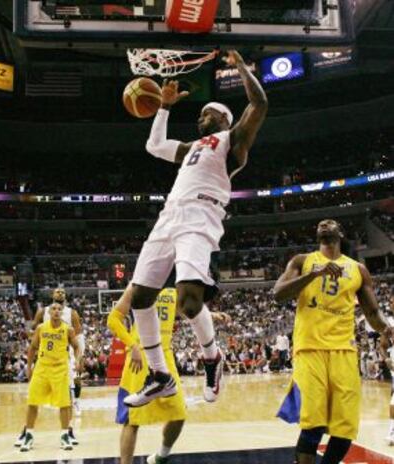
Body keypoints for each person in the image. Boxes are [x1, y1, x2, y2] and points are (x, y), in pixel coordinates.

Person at [125, 49, 268, 408]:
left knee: (189, 303)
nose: (202, 117)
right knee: (140, 297)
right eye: (202, 114)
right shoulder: (190, 147)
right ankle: (160, 376)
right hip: (169, 215)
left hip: (201, 215)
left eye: (208, 113)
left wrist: (241, 67)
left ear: (223, 117)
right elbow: (154, 145)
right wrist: (164, 106)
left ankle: (212, 357)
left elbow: (261, 103)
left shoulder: (232, 141)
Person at [274, 219, 393, 464]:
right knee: (313, 423)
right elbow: (278, 293)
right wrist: (314, 274)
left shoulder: (357, 269)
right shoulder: (302, 261)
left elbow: (372, 313)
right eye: (321, 223)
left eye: (331, 223)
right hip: (310, 350)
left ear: (341, 233)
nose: (325, 223)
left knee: (344, 429)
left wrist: (386, 328)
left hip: (344, 352)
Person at [107, 282, 230, 464]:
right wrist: (132, 345)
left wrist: (211, 315)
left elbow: (183, 310)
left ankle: (161, 456)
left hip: (165, 355)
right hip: (140, 353)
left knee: (179, 414)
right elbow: (113, 319)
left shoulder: (175, 287)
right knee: (132, 420)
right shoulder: (139, 283)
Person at [15, 287, 84, 447]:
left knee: (68, 399)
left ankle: (68, 432)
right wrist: (30, 364)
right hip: (44, 363)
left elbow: (78, 340)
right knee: (33, 400)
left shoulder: (71, 314)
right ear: (52, 297)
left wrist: (79, 360)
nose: (60, 293)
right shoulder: (42, 314)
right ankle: (27, 433)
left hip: (64, 362)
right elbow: (32, 336)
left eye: (62, 292)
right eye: (57, 292)